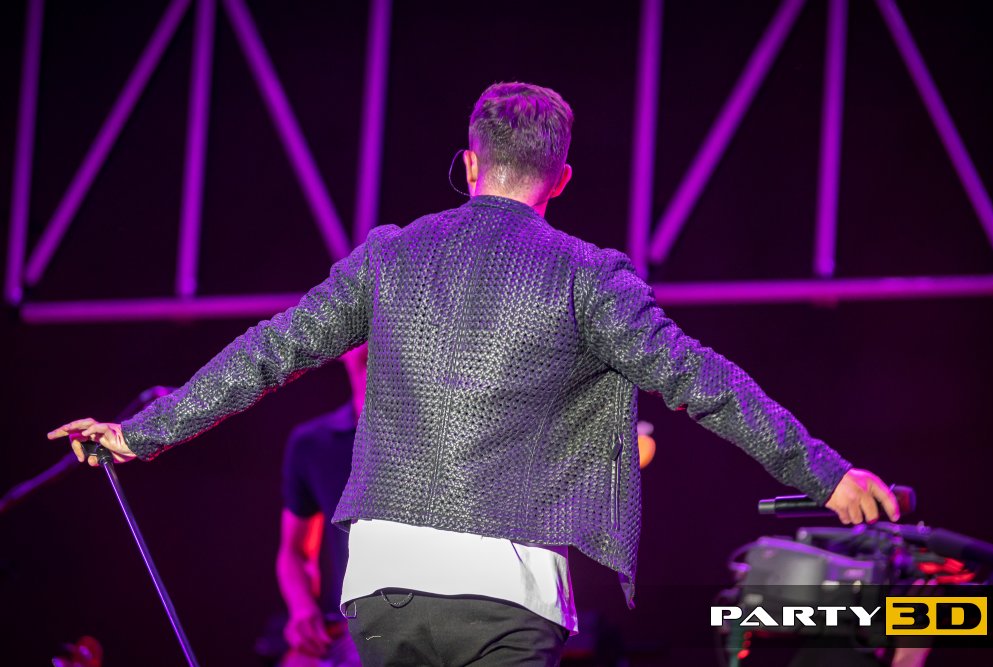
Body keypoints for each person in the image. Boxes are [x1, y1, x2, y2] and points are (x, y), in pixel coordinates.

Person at [49, 82, 900, 666]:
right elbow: (699, 378)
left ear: (468, 162)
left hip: (382, 586)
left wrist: (139, 434)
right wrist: (827, 473)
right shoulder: (587, 275)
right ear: (561, 180)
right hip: (507, 593)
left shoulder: (389, 255)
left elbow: (271, 349)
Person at [274, 346, 366, 667]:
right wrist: (303, 610)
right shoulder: (313, 444)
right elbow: (295, 551)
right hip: (355, 631)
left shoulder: (442, 437)